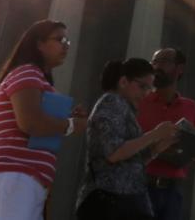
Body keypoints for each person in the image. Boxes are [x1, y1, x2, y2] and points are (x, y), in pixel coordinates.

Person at [0, 19, 88, 220]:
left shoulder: (36, 78)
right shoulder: (27, 72)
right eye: (60, 39)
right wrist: (71, 125)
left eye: (68, 41)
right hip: (10, 180)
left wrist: (66, 121)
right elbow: (30, 122)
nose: (66, 45)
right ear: (39, 44)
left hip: (24, 182)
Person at [77, 58, 181, 219]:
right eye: (142, 86)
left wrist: (156, 148)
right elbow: (114, 153)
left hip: (126, 201)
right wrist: (154, 134)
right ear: (124, 81)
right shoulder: (112, 102)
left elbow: (130, 161)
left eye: (149, 88)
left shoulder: (124, 108)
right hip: (110, 201)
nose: (146, 94)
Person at [136, 47, 195, 220]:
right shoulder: (139, 101)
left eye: (164, 61)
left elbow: (193, 150)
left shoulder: (191, 107)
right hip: (139, 187)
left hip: (173, 191)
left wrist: (187, 153)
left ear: (179, 69)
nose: (156, 66)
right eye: (154, 61)